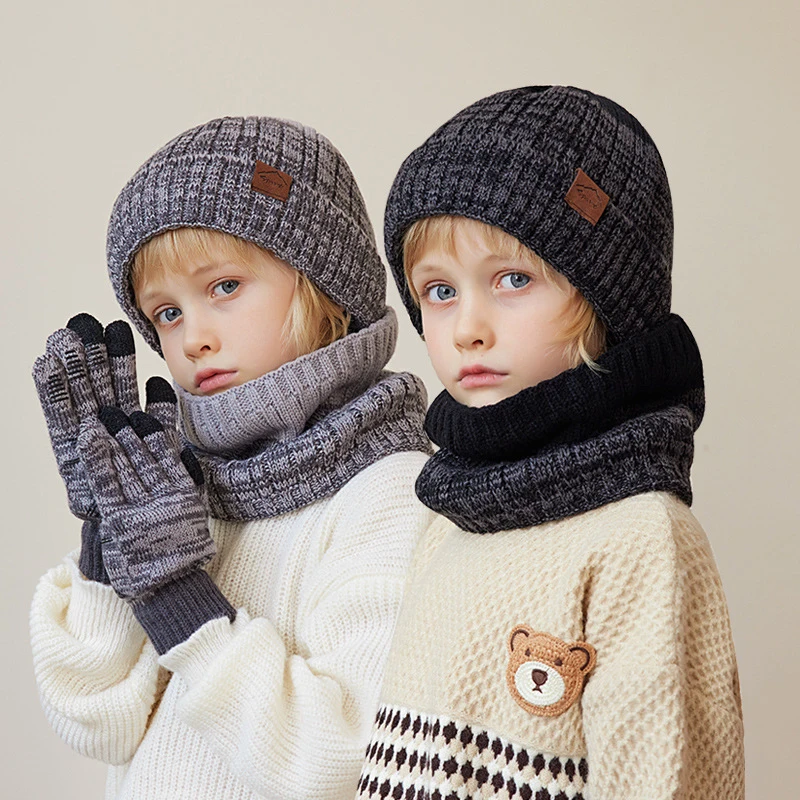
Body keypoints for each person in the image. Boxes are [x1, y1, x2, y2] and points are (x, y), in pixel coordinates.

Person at [357, 86, 744, 800]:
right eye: (438, 291)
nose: (467, 325)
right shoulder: (445, 519)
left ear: (605, 299)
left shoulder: (642, 538)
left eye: (512, 279)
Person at [30, 115, 432, 798]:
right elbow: (97, 721)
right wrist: (111, 534)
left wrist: (181, 599)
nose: (193, 339)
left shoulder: (391, 493)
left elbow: (345, 762)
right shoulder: (182, 496)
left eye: (223, 288)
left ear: (323, 279)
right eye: (166, 313)